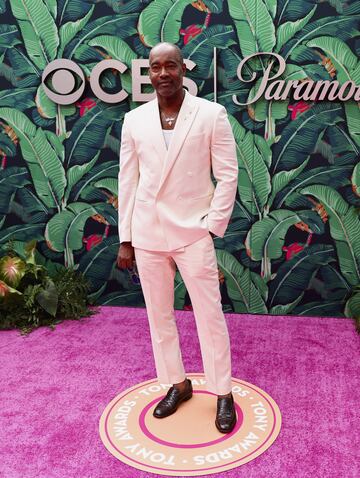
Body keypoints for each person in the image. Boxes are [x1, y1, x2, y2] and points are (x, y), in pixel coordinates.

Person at [117, 42, 238, 433]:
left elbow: (228, 174)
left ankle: (223, 392)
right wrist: (126, 238)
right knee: (159, 317)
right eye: (156, 67)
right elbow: (128, 181)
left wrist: (211, 224)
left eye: (171, 65)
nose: (164, 73)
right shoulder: (133, 120)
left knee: (209, 314)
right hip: (148, 233)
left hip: (192, 231)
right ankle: (177, 383)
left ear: (183, 68)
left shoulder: (210, 114)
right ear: (148, 74)